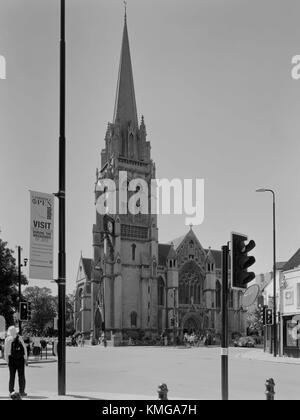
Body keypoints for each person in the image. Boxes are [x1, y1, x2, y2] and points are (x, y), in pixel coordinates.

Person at [4, 326, 28, 398]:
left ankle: (11, 391)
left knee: (12, 376)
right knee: (21, 375)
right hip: (20, 359)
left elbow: (6, 351)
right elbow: (24, 348)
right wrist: (25, 358)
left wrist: (7, 361)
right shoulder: (19, 337)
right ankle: (22, 391)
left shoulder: (7, 339)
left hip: (11, 359)